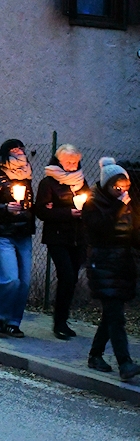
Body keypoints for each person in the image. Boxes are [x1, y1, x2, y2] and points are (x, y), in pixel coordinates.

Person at [82, 158, 140, 381]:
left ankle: (95, 355)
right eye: (118, 187)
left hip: (122, 265)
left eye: (125, 187)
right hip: (102, 264)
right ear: (107, 185)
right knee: (116, 317)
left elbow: (131, 233)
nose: (122, 191)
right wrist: (119, 206)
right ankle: (125, 363)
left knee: (111, 315)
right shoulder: (93, 203)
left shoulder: (125, 205)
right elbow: (101, 229)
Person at [35, 144, 89, 340]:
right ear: (59, 161)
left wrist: (85, 211)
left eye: (75, 162)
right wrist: (68, 212)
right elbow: (41, 211)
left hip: (77, 237)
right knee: (66, 275)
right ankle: (59, 322)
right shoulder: (48, 183)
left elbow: (89, 203)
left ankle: (63, 319)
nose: (73, 166)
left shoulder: (81, 181)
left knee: (72, 278)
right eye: (68, 162)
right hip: (57, 237)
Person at [0, 139, 35, 337]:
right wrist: (5, 208)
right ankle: (0, 313)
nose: (18, 151)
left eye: (21, 148)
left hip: (23, 233)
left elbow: (29, 204)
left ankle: (14, 322)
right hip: (3, 233)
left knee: (24, 282)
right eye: (14, 149)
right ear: (5, 153)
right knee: (10, 279)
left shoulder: (26, 175)